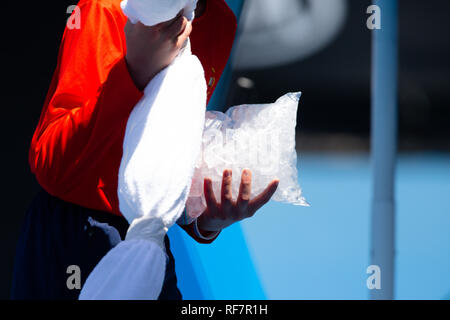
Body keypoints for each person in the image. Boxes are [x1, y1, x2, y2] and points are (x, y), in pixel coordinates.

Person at [12, 0, 279, 300]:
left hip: (151, 246)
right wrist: (134, 72)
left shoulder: (222, 21)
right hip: (70, 238)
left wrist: (202, 219)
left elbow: (169, 154)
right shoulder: (104, 8)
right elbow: (52, 168)